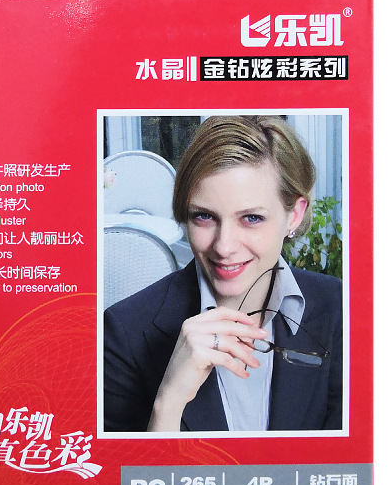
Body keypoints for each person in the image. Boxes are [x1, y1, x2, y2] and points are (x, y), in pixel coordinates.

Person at [103, 115, 342, 432]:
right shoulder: (124, 331)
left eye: (251, 218)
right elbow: (120, 466)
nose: (224, 246)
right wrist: (168, 403)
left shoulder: (339, 307)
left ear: (293, 216)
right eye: (204, 216)